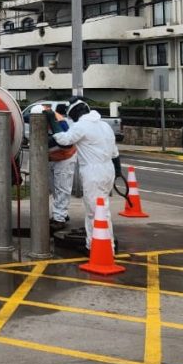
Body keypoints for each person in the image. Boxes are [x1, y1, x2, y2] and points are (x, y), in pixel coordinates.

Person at [52, 97, 120, 251]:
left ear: (75, 113)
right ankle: (103, 244)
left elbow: (64, 141)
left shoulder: (82, 125)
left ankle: (99, 248)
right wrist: (118, 170)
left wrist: (52, 121)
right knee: (102, 210)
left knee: (94, 212)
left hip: (93, 173)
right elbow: (115, 153)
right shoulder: (105, 125)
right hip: (108, 170)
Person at [47, 103, 76, 231]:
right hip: (53, 157)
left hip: (65, 157)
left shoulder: (59, 122)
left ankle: (59, 219)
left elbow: (66, 143)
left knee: (62, 187)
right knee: (55, 188)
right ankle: (61, 213)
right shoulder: (34, 117)